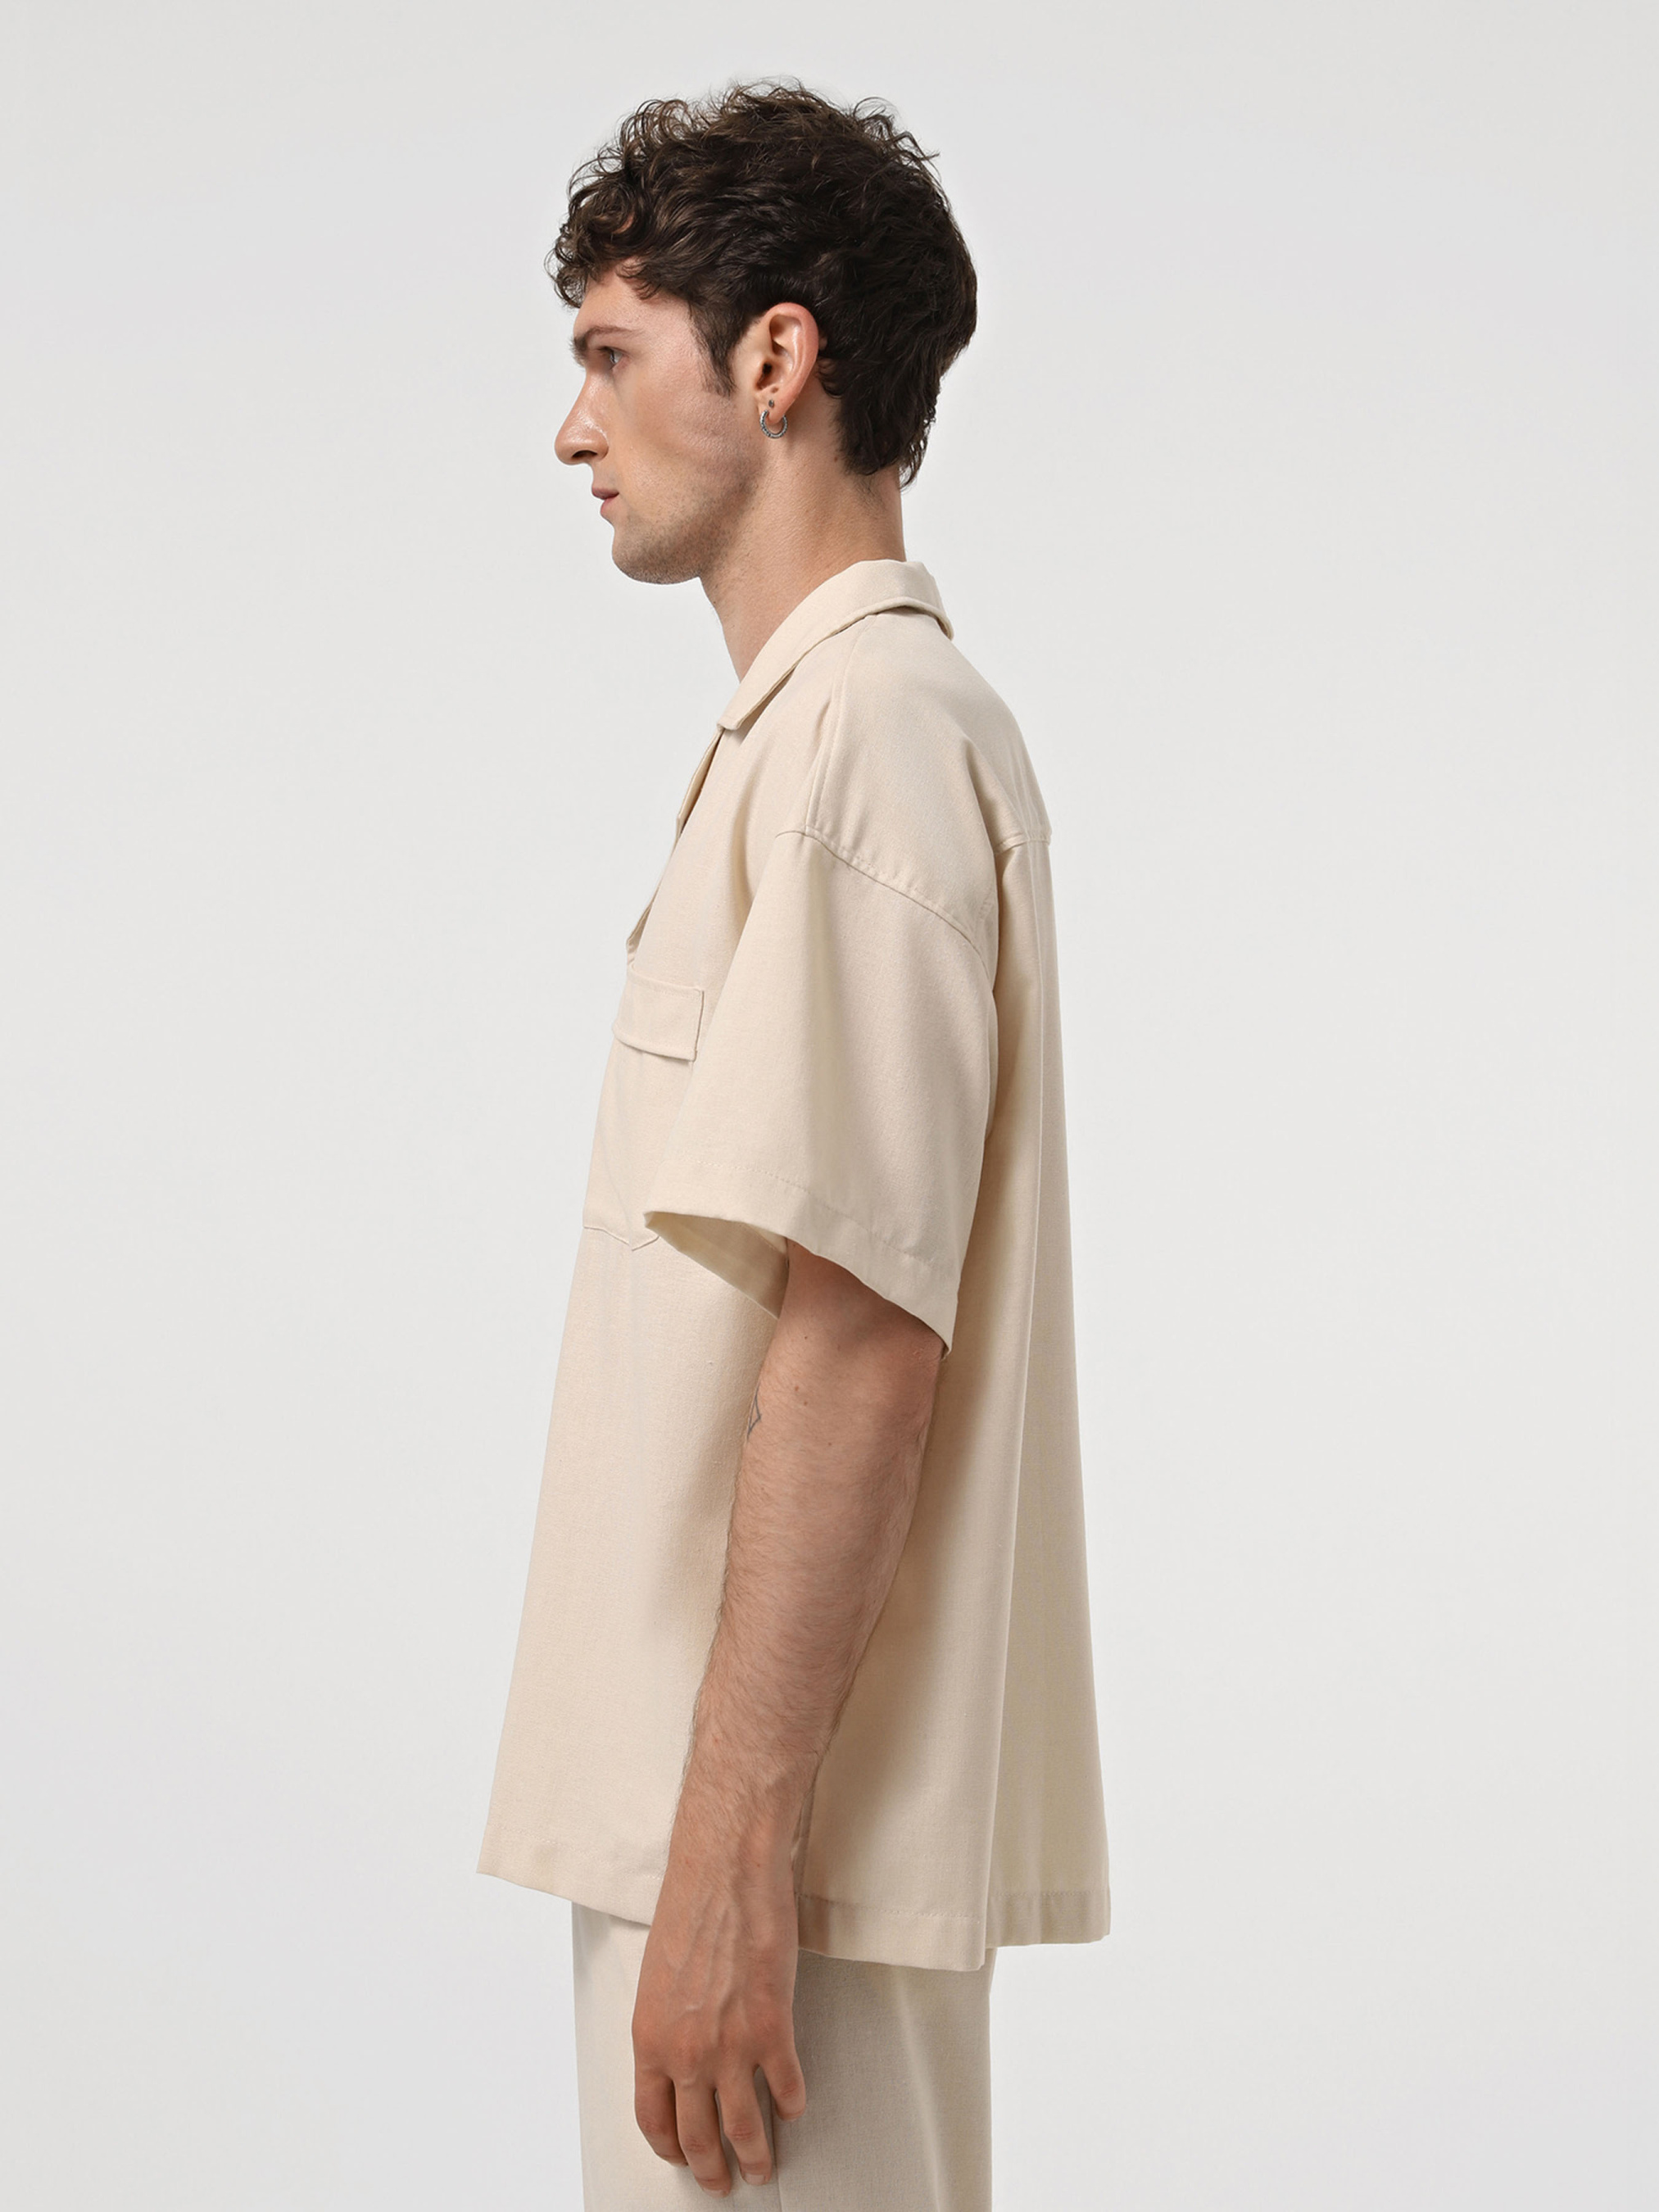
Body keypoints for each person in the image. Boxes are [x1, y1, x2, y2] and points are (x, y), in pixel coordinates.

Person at [479, 81, 1108, 2210]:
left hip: (768, 1872)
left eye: (607, 353)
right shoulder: (827, 738)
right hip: (741, 1847)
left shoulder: (866, 739)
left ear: (774, 357)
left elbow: (856, 1332)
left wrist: (731, 1862)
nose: (571, 430)